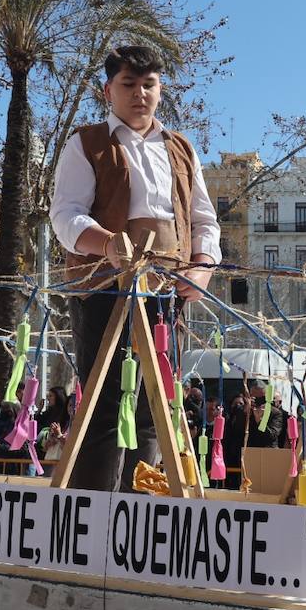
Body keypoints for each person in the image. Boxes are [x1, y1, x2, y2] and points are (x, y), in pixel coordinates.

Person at [50, 45, 221, 492]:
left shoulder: (182, 149)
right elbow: (66, 216)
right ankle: (89, 518)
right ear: (109, 90)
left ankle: (138, 511)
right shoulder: (86, 143)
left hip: (167, 294)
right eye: (129, 84)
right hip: (104, 290)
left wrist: (201, 268)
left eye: (149, 85)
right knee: (103, 407)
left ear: (160, 90)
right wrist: (108, 245)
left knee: (154, 406)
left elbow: (204, 220)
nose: (140, 94)